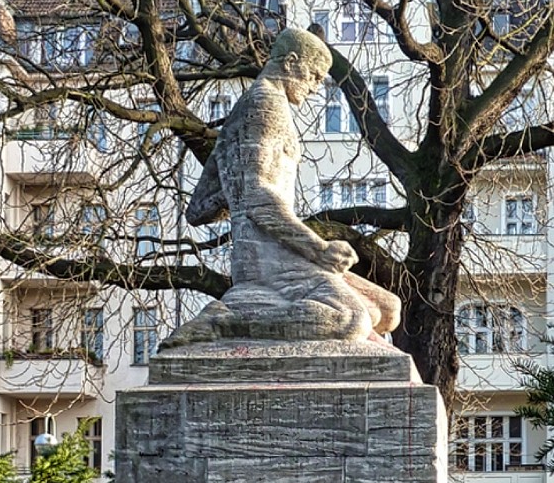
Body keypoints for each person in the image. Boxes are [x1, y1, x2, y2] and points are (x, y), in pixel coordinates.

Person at [162, 27, 400, 347]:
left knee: (388, 310)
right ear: (290, 62)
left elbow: (200, 208)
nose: (316, 87)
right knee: (351, 319)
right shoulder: (264, 105)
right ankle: (223, 323)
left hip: (283, 251)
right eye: (314, 76)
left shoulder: (255, 107)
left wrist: (236, 186)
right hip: (268, 263)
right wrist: (318, 248)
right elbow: (258, 196)